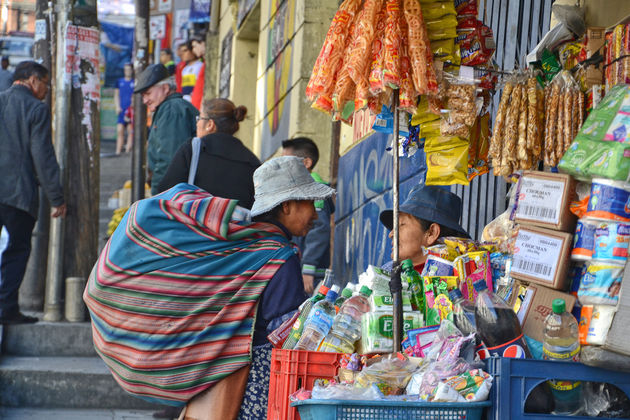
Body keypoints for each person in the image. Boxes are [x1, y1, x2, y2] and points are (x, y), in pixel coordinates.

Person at [84, 156, 335, 419]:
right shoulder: (280, 256)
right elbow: (284, 332)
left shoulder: (243, 246)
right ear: (287, 206)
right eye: (309, 204)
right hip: (256, 384)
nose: (315, 216)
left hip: (218, 375)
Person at [0, 61, 66, 324]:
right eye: (46, 84)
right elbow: (43, 157)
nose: (47, 90)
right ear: (33, 80)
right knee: (17, 250)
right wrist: (57, 197)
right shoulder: (36, 109)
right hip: (18, 195)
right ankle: (6, 308)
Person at [158, 98, 261, 209]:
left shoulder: (193, 149)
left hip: (193, 225)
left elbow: (165, 192)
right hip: (236, 226)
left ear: (210, 124)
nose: (197, 124)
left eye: (199, 118)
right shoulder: (253, 162)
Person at [134, 63, 198, 195]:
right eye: (143, 96)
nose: (145, 100)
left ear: (165, 88)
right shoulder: (170, 107)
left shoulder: (171, 109)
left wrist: (158, 195)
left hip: (172, 193)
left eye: (148, 94)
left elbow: (169, 160)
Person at [281, 137, 335, 294]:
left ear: (306, 163)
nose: (282, 168)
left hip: (310, 275)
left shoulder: (314, 190)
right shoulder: (299, 190)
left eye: (287, 163)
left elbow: (319, 229)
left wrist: (308, 270)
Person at [379, 184, 469, 272]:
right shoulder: (387, 273)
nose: (391, 234)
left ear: (431, 233)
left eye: (402, 224)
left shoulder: (460, 276)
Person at [114, 63, 134, 155]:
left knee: (130, 131)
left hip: (130, 111)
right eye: (126, 69)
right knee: (120, 131)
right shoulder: (119, 81)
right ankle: (118, 151)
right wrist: (117, 106)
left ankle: (127, 152)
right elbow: (116, 95)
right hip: (121, 110)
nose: (127, 71)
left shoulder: (135, 82)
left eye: (129, 69)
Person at [189, 36, 205, 110]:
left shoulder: (202, 64)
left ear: (202, 43)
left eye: (195, 46)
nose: (193, 50)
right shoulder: (203, 63)